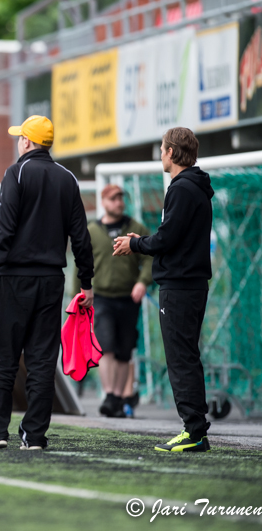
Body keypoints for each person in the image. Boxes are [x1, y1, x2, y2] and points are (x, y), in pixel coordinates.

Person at [0, 115, 94, 451]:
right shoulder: (67, 178)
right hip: (52, 280)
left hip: (13, 279)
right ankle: (34, 435)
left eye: (20, 137)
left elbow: (3, 231)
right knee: (41, 361)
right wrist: (87, 282)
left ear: (26, 141)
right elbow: (80, 235)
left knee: (2, 359)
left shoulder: (17, 172)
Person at [113, 127, 214, 453]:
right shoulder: (193, 187)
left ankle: (194, 431)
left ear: (172, 152)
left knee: (181, 358)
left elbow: (167, 238)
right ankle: (196, 429)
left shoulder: (183, 188)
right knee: (187, 356)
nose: (159, 154)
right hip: (190, 284)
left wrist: (135, 243)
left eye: (161, 149)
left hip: (181, 286)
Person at [80, 184, 152, 418]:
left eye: (121, 198)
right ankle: (110, 394)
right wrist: (79, 293)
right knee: (106, 347)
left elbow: (151, 258)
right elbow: (82, 265)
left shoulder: (136, 228)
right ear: (104, 202)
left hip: (129, 298)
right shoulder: (92, 231)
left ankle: (119, 398)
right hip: (101, 298)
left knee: (124, 350)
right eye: (113, 199)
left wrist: (142, 281)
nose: (118, 203)